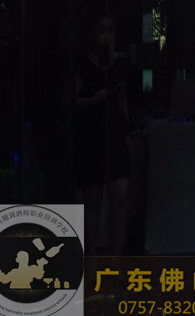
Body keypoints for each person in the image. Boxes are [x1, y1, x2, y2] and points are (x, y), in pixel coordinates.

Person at [75, 15, 131, 255]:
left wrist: (127, 132)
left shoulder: (120, 65)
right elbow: (71, 102)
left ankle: (117, 257)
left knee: (119, 195)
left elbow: (123, 102)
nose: (107, 37)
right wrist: (93, 100)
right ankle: (91, 257)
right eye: (102, 31)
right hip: (92, 136)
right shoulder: (83, 65)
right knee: (93, 200)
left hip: (115, 134)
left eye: (111, 31)